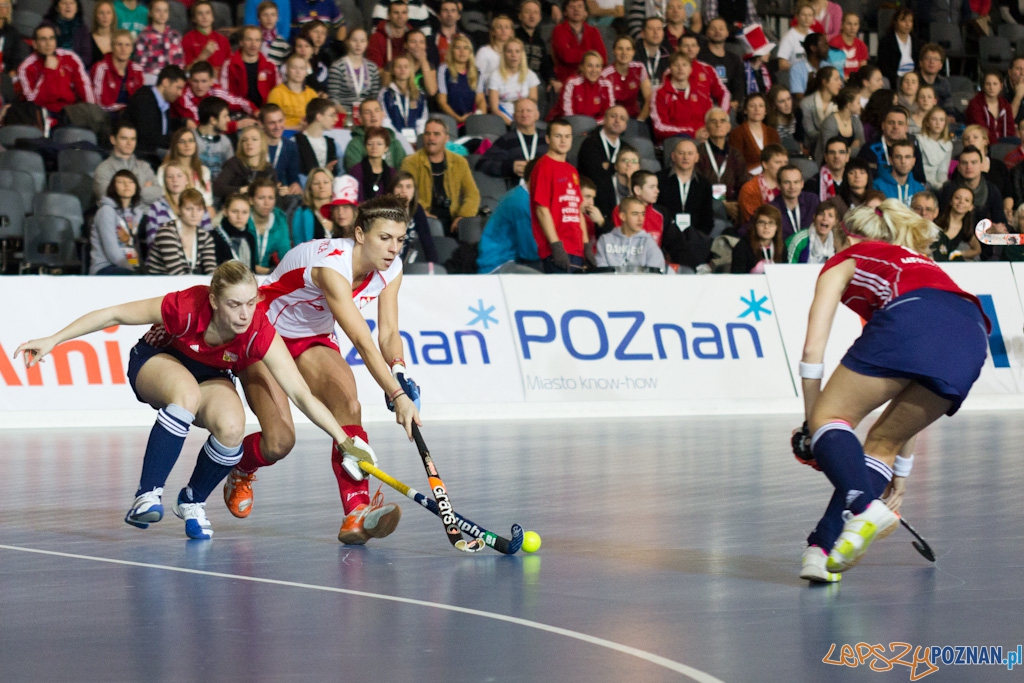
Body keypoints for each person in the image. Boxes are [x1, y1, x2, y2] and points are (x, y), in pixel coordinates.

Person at [17, 261, 385, 540]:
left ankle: (192, 499)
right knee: (186, 395)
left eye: (250, 303)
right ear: (213, 299)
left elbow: (301, 394)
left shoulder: (258, 330)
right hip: (157, 363)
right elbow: (113, 314)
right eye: (233, 304)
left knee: (232, 425)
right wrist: (53, 339)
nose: (243, 314)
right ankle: (147, 496)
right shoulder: (186, 306)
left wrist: (343, 439)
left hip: (211, 375)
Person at [795, 199, 989, 577]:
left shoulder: (848, 257)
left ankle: (865, 508)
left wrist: (813, 424)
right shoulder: (917, 265)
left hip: (914, 318)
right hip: (971, 336)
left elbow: (812, 350)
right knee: (881, 444)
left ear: (843, 236)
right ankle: (822, 549)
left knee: (829, 417)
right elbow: (906, 393)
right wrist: (902, 470)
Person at [224, 195, 421, 545]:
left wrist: (400, 371)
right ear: (360, 234)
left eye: (400, 239)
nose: (393, 249)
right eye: (384, 238)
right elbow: (361, 340)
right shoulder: (333, 266)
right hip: (263, 335)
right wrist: (396, 394)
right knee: (279, 442)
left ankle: (356, 512)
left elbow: (388, 331)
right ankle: (242, 467)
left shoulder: (392, 268)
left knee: (349, 405)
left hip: (311, 337)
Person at [400, 117, 480, 233]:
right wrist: (421, 213)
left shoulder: (459, 162)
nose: (431, 138)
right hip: (424, 218)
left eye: (436, 134)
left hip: (453, 219)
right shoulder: (410, 162)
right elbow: (405, 195)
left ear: (446, 138)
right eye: (427, 134)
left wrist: (462, 217)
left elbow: (472, 194)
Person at [530, 118, 586, 272]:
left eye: (567, 136)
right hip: (556, 250)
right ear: (548, 139)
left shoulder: (572, 170)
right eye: (558, 136)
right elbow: (541, 210)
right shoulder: (543, 166)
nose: (563, 140)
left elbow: (577, 210)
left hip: (576, 248)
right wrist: (556, 245)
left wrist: (586, 244)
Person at [18, 24, 95, 116]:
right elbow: (32, 102)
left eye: (51, 38)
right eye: (43, 39)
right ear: (35, 44)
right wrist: (48, 72)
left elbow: (84, 88)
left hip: (70, 111)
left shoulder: (71, 58)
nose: (48, 43)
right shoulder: (26, 68)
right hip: (42, 112)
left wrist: (91, 111)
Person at [659, 138, 714, 268]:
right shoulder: (659, 180)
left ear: (697, 157)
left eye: (690, 154)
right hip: (666, 237)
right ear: (673, 156)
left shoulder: (704, 184)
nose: (685, 157)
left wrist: (694, 237)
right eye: (681, 153)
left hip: (694, 239)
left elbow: (707, 219)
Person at [477, 161, 539, 273]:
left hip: (512, 261)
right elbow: (529, 252)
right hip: (498, 264)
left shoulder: (522, 196)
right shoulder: (521, 202)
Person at [145, 188, 217, 275]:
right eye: (188, 209)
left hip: (184, 283)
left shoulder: (205, 236)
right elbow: (175, 273)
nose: (194, 214)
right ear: (178, 209)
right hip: (158, 284)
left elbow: (211, 270)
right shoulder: (167, 232)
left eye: (199, 209)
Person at [172, 60, 259, 132]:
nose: (199, 86)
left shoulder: (215, 90)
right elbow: (201, 127)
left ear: (211, 81)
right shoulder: (183, 97)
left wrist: (256, 112)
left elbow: (239, 102)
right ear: (189, 81)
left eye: (204, 81)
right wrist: (235, 125)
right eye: (195, 81)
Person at [697, 107, 749, 223]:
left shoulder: (736, 155)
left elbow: (743, 185)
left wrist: (735, 206)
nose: (718, 125)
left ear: (728, 127)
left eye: (722, 121)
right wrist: (721, 205)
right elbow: (697, 188)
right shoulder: (697, 154)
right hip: (706, 207)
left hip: (734, 208)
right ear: (706, 127)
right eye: (713, 121)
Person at [476, 98, 547, 182]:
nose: (524, 114)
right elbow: (481, 164)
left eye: (529, 110)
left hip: (548, 187)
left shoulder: (548, 138)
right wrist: (510, 167)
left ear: (537, 115)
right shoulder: (506, 140)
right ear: (514, 116)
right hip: (518, 190)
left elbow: (564, 161)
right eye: (520, 111)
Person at [577, 104, 629, 219]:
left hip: (620, 204)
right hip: (594, 204)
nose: (617, 121)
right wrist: (617, 168)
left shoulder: (627, 148)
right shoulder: (590, 143)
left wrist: (607, 167)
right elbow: (595, 174)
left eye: (622, 118)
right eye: (613, 116)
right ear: (604, 120)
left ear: (625, 126)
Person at [123, 64, 186, 155]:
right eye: (178, 88)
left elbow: (160, 125)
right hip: (141, 156)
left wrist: (183, 122)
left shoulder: (163, 102)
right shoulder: (143, 100)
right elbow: (149, 137)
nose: (180, 93)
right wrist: (179, 139)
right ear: (165, 82)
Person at [94, 121, 163, 205]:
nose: (129, 143)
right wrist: (143, 190)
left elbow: (159, 193)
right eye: (124, 138)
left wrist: (125, 192)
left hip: (146, 215)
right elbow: (108, 199)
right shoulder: (103, 169)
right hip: (117, 216)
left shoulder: (144, 166)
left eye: (133, 139)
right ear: (113, 140)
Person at [940, 145, 1008, 230]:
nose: (969, 167)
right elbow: (943, 220)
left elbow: (999, 221)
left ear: (981, 166)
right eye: (964, 163)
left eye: (974, 162)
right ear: (959, 167)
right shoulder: (949, 189)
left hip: (986, 237)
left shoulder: (992, 190)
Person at [90, 170, 145, 275]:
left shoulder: (136, 214)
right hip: (105, 267)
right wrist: (136, 272)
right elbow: (112, 253)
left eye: (131, 182)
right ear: (113, 187)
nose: (126, 185)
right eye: (120, 182)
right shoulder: (106, 211)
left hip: (129, 265)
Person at [650, 53, 712, 143]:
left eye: (684, 65)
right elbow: (659, 127)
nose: (680, 68)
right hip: (674, 141)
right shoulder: (660, 93)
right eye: (676, 65)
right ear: (670, 69)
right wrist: (692, 133)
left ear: (690, 69)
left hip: (703, 139)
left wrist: (706, 132)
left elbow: (710, 118)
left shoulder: (701, 92)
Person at [858, 106, 926, 184]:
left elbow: (920, 179)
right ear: (883, 125)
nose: (895, 127)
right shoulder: (869, 148)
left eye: (900, 123)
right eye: (891, 123)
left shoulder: (912, 148)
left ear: (906, 128)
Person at [595, 196, 665, 269]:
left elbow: (655, 273)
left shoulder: (648, 241)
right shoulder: (605, 240)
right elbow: (602, 273)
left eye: (643, 214)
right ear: (623, 216)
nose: (640, 219)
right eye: (635, 214)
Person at [212, 126, 279, 202]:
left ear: (262, 143)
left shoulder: (269, 169)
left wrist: (279, 192)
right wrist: (241, 190)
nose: (249, 143)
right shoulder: (234, 164)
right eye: (244, 140)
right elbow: (216, 187)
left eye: (254, 139)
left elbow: (272, 195)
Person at [328, 28, 381, 121]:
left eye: (362, 41)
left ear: (367, 43)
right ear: (347, 42)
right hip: (343, 116)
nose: (358, 44)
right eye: (354, 40)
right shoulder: (337, 67)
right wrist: (349, 117)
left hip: (366, 117)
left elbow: (375, 97)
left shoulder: (372, 68)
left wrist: (366, 116)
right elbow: (333, 99)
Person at [220, 25, 278, 109]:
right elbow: (224, 95)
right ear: (241, 42)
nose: (253, 44)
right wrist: (251, 109)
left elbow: (277, 92)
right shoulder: (229, 65)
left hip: (265, 112)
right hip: (238, 111)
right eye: (249, 39)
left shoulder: (270, 65)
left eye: (257, 40)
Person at [551, 0, 607, 86]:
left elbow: (602, 57)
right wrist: (590, 57)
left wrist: (576, 55)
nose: (576, 9)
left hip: (592, 78)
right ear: (565, 12)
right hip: (567, 80)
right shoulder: (558, 30)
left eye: (580, 6)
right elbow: (566, 56)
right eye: (572, 7)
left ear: (585, 12)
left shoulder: (594, 32)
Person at [344, 98, 407, 171]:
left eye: (377, 110)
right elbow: (355, 174)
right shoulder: (355, 145)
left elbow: (403, 172)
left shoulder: (395, 143)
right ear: (360, 119)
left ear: (383, 115)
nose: (373, 115)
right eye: (367, 112)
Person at [389, 170, 438, 263]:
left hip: (407, 264)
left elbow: (427, 241)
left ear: (414, 190)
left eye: (408, 187)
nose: (404, 191)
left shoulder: (417, 210)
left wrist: (434, 269)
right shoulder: (384, 210)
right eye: (399, 186)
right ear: (393, 190)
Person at [488, 38, 540, 125]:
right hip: (503, 120)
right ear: (504, 54)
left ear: (522, 54)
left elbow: (533, 104)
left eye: (517, 51)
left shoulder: (531, 75)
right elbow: (494, 109)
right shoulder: (495, 76)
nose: (513, 55)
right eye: (509, 51)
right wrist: (511, 124)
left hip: (525, 117)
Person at [90, 29, 143, 113]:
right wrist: (125, 108)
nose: (123, 49)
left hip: (130, 115)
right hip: (105, 116)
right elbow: (99, 104)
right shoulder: (101, 68)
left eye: (127, 45)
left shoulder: (137, 70)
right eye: (119, 44)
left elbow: (141, 100)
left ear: (132, 49)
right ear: (112, 47)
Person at [159, 127, 214, 208]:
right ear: (175, 145)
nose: (187, 145)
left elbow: (207, 202)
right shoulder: (164, 170)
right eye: (182, 142)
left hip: (200, 213)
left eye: (191, 141)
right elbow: (162, 197)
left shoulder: (204, 171)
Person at [437, 34, 485, 125]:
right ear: (452, 51)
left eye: (466, 48)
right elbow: (442, 101)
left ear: (470, 52)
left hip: (470, 120)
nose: (462, 51)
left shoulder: (477, 71)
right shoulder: (444, 69)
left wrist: (480, 116)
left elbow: (480, 99)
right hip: (449, 120)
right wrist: (457, 118)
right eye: (458, 48)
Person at [246, 177, 291, 273]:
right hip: (241, 274)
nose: (266, 203)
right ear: (251, 200)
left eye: (271, 198)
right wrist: (270, 272)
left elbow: (285, 255)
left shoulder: (279, 219)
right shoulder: (242, 217)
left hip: (267, 275)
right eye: (261, 198)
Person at [133, 0, 184, 84]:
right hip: (152, 80)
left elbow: (179, 62)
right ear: (150, 13)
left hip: (173, 82)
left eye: (165, 11)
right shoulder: (144, 36)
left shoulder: (175, 35)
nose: (162, 14)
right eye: (157, 10)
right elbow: (139, 66)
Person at [556, 50, 614, 123]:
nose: (594, 70)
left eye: (598, 66)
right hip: (572, 126)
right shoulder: (572, 83)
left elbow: (609, 113)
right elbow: (568, 114)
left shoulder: (606, 84)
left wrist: (593, 126)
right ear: (582, 67)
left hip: (596, 127)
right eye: (589, 66)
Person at [380, 54, 428, 140]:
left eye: (406, 67)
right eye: (399, 67)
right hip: (393, 139)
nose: (402, 70)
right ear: (392, 70)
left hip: (416, 139)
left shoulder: (419, 94)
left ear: (411, 70)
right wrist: (397, 139)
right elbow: (385, 120)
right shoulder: (385, 93)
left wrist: (419, 139)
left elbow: (422, 120)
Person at [611, 169, 665, 246]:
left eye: (656, 186)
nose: (657, 191)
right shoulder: (621, 210)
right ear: (638, 190)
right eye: (652, 187)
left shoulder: (661, 213)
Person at [729, 93, 781, 174]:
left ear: (765, 111)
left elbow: (779, 159)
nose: (757, 109)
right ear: (745, 110)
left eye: (761, 106)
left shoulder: (772, 133)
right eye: (752, 106)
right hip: (747, 179)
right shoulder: (737, 133)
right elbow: (736, 163)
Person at [678, 33, 730, 110]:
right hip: (679, 120)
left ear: (698, 49)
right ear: (678, 49)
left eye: (693, 45)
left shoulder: (708, 70)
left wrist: (721, 115)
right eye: (686, 46)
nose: (690, 49)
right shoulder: (670, 72)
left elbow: (723, 93)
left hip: (705, 120)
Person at [699, 17, 743, 106]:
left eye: (721, 29)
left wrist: (735, 102)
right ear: (707, 33)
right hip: (704, 104)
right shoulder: (699, 57)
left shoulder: (735, 59)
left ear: (727, 33)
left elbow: (739, 86)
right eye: (713, 28)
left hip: (727, 105)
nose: (717, 31)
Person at [737, 143, 787, 223]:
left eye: (785, 162)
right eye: (778, 162)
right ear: (765, 164)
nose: (783, 166)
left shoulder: (788, 185)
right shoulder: (750, 189)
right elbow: (752, 221)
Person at [267, 54, 319, 130]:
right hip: (284, 134)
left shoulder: (312, 94)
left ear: (306, 72)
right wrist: (297, 128)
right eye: (294, 68)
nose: (298, 72)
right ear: (287, 70)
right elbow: (271, 124)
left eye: (302, 68)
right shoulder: (277, 93)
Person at [292, 98, 340, 178]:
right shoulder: (295, 142)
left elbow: (338, 173)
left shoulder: (332, 143)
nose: (336, 119)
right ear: (319, 117)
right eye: (332, 115)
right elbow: (294, 174)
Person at [516, 0, 555, 96]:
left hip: (535, 79)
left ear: (540, 17)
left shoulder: (540, 41)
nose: (532, 16)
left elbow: (545, 64)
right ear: (520, 15)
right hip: (516, 78)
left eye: (535, 12)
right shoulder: (513, 37)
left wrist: (551, 80)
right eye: (528, 12)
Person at [731, 204, 785, 273]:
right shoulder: (742, 247)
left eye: (771, 223)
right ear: (755, 225)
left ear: (777, 227)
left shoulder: (781, 246)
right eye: (762, 222)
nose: (766, 227)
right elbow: (737, 279)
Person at [770, 164, 819, 239]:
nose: (792, 187)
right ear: (778, 185)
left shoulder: (812, 201)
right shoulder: (771, 209)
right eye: (787, 182)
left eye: (796, 182)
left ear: (802, 184)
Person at [933, 186, 982, 261]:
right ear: (951, 201)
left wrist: (958, 253)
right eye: (957, 198)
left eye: (967, 200)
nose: (961, 202)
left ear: (971, 207)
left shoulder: (966, 228)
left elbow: (977, 250)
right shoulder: (936, 220)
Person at [800, 65, 840, 156]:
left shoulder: (840, 104)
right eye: (836, 79)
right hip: (812, 149)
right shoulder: (806, 103)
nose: (840, 83)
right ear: (825, 82)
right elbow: (810, 132)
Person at [967, 69, 1015, 145]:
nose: (991, 87)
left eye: (995, 84)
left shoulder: (1006, 105)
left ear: (1001, 86)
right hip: (983, 144)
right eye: (988, 84)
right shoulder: (975, 104)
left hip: (1004, 145)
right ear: (983, 86)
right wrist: (997, 145)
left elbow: (1010, 130)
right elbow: (981, 130)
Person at [873, 139, 925, 206]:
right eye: (898, 157)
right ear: (891, 160)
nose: (903, 161)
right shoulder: (877, 186)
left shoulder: (919, 189)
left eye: (907, 157)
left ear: (913, 161)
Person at [183, 1, 231, 75]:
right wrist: (202, 56)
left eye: (208, 13)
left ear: (213, 17)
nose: (204, 17)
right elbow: (186, 71)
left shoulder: (223, 39)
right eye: (200, 13)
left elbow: (229, 66)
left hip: (220, 82)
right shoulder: (187, 39)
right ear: (193, 19)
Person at [348, 126, 395, 202]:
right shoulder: (356, 171)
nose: (374, 147)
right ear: (365, 146)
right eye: (370, 143)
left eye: (379, 144)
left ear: (386, 147)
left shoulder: (392, 173)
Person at [195, 97, 236, 181]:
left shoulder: (225, 142)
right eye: (225, 116)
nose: (229, 120)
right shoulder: (189, 138)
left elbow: (232, 173)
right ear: (213, 120)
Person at [211, 192, 257, 268]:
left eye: (244, 212)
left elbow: (252, 269)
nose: (239, 216)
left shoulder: (250, 238)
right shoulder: (215, 236)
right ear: (225, 211)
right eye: (234, 211)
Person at [292, 168, 338, 243]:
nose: (321, 186)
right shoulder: (301, 213)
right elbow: (298, 245)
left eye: (326, 182)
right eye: (316, 183)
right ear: (310, 188)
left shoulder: (339, 211)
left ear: (332, 185)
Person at [785, 198, 837, 263]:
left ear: (835, 221)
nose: (825, 218)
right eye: (821, 214)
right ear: (814, 217)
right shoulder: (799, 240)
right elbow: (788, 269)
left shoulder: (836, 242)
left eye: (830, 215)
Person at [876, 8, 916, 90]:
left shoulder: (917, 42)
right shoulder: (886, 41)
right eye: (903, 21)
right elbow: (883, 66)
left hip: (913, 78)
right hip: (894, 79)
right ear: (895, 22)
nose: (908, 24)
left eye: (910, 21)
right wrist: (898, 79)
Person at [46, 0, 92, 67]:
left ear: (77, 8)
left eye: (72, 3)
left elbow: (87, 58)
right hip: (52, 68)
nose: (68, 6)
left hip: (75, 70)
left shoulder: (83, 29)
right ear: (56, 8)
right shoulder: (47, 27)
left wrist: (70, 67)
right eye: (64, 3)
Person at [366, 0, 410, 69]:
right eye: (396, 13)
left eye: (404, 13)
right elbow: (374, 69)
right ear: (388, 16)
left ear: (407, 16)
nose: (400, 16)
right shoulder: (376, 38)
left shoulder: (413, 38)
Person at [777, 0, 815, 73]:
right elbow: (782, 64)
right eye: (803, 15)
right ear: (797, 16)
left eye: (810, 15)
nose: (807, 18)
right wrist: (799, 68)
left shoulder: (813, 35)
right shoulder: (789, 37)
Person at [807, 136, 848, 201]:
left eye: (841, 152)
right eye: (832, 152)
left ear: (847, 157)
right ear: (826, 157)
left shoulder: (854, 180)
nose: (836, 156)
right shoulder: (813, 183)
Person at [788, 32, 827, 99]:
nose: (827, 48)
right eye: (824, 45)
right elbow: (798, 96)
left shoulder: (827, 66)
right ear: (813, 48)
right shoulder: (797, 69)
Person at [828, 12, 866, 79]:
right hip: (839, 80)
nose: (852, 27)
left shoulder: (861, 45)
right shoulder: (834, 43)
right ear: (842, 25)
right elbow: (832, 67)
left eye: (855, 24)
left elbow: (863, 68)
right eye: (849, 24)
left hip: (856, 81)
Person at [767, 86, 803, 156]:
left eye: (788, 99)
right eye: (782, 101)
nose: (787, 104)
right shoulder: (768, 120)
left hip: (795, 152)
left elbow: (800, 140)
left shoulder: (797, 113)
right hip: (777, 154)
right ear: (774, 104)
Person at [916, 43, 953, 112]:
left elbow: (948, 108)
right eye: (928, 58)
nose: (932, 62)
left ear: (941, 65)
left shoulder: (944, 83)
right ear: (921, 63)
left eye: (936, 59)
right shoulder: (913, 81)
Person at [402, 28, 438, 98]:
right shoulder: (395, 64)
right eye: (413, 42)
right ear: (405, 45)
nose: (417, 45)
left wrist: (423, 61)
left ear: (426, 46)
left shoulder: (430, 66)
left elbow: (432, 91)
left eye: (421, 42)